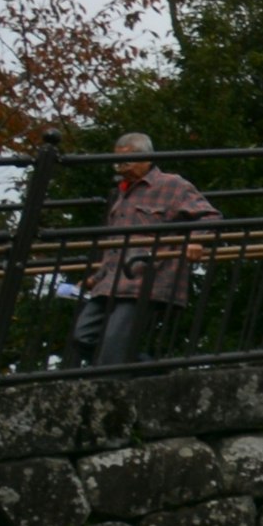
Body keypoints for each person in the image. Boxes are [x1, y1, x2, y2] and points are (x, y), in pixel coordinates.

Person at [78, 133, 219, 367]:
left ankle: (111, 386)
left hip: (147, 278)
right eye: (118, 160)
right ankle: (151, 371)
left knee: (114, 343)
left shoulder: (172, 184)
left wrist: (197, 240)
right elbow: (114, 241)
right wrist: (97, 276)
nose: (121, 165)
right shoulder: (120, 193)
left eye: (128, 158)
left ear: (147, 156)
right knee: (83, 336)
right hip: (111, 279)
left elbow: (210, 215)